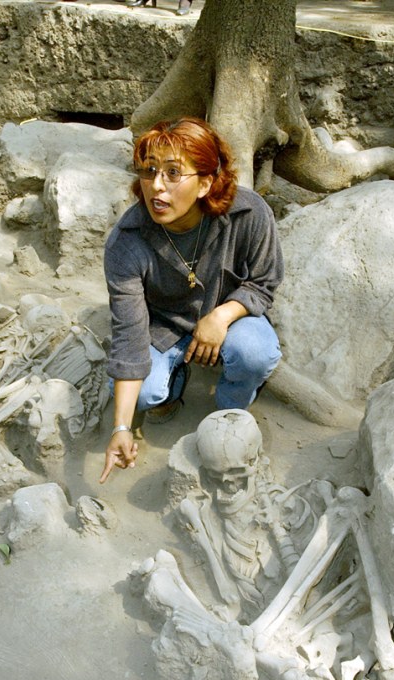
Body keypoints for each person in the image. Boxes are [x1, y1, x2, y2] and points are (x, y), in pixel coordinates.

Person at [99, 117, 283, 483]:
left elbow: (264, 281)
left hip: (230, 314)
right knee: (140, 396)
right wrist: (120, 426)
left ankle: (231, 408)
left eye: (172, 173)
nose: (156, 187)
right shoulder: (127, 242)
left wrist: (222, 316)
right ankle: (175, 381)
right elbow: (129, 338)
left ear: (205, 183)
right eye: (148, 172)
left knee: (254, 353)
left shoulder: (248, 213)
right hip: (163, 325)